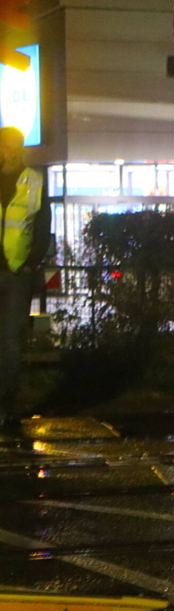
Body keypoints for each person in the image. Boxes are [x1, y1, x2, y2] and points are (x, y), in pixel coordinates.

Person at [0, 126, 48, 442]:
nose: (11, 151)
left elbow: (43, 226)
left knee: (10, 344)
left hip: (17, 272)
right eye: (6, 145)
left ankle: (4, 406)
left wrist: (32, 262)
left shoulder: (34, 181)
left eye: (16, 145)